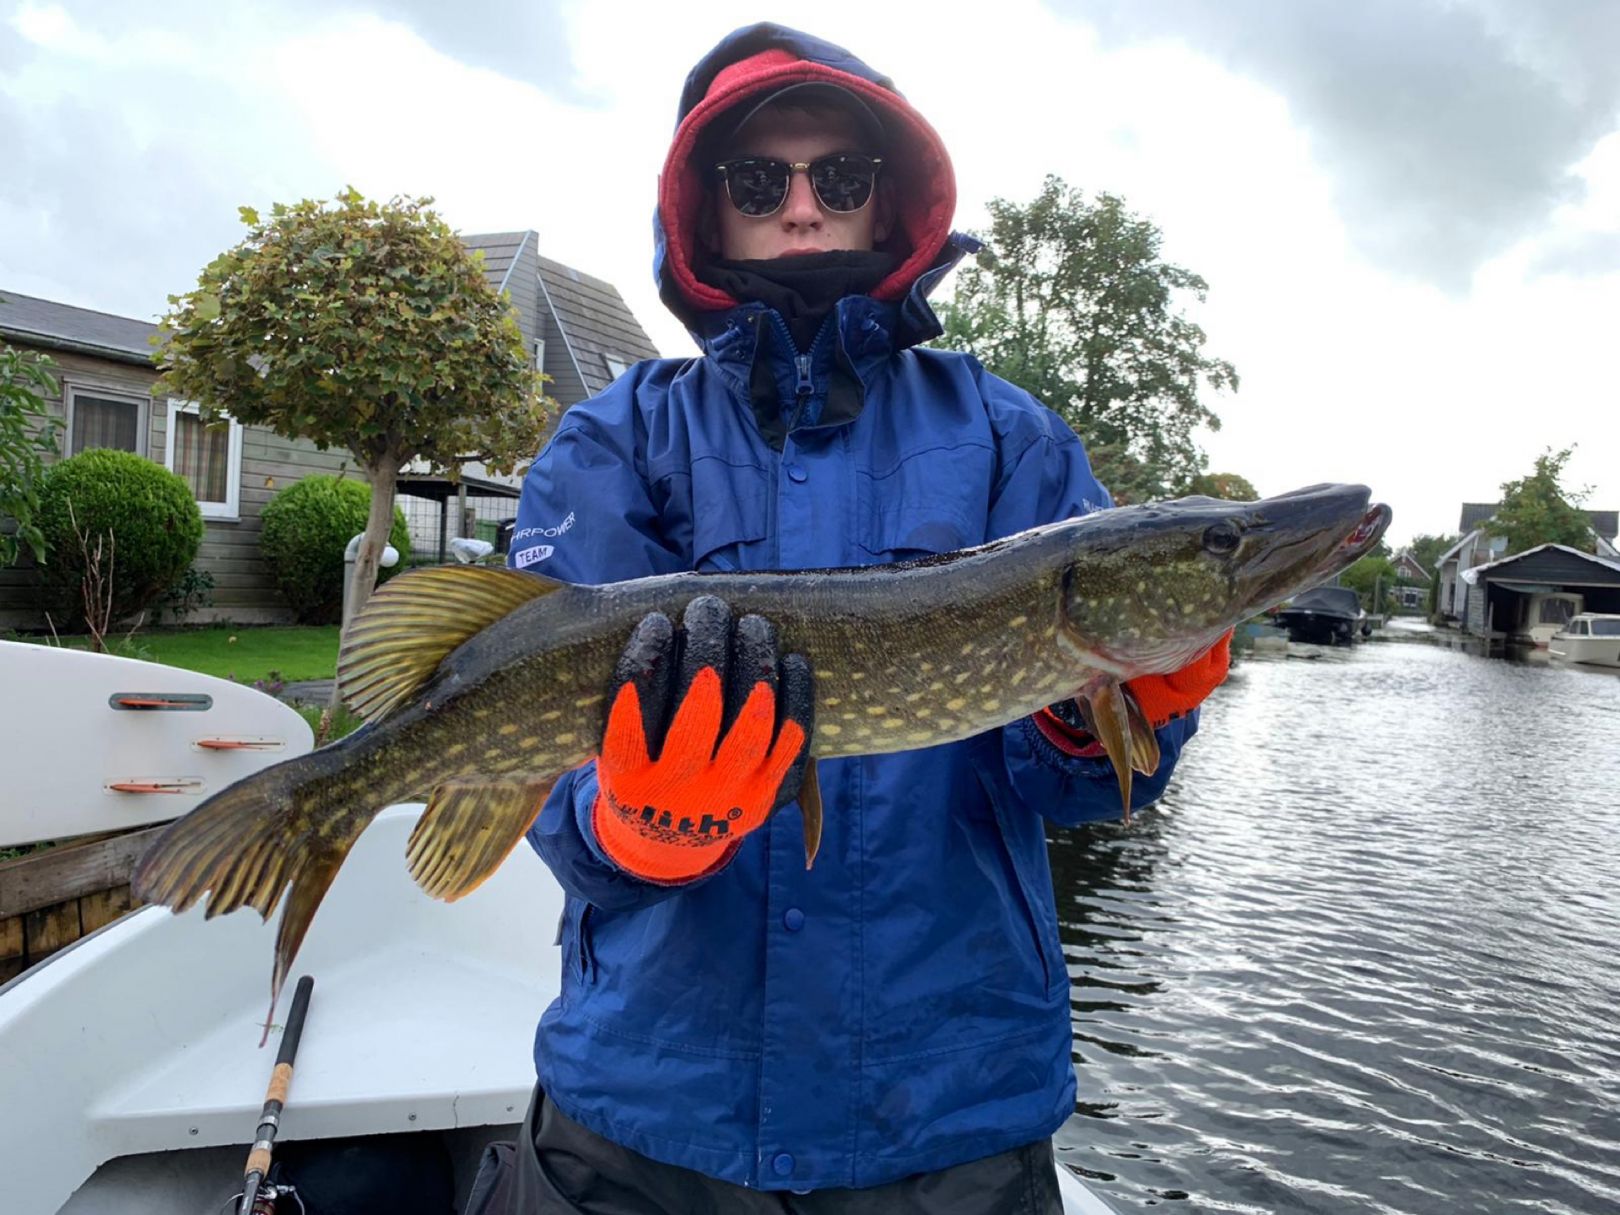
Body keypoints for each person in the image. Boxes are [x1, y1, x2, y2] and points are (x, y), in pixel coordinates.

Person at [497, 22, 1229, 1214]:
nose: (801, 207)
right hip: (652, 1105)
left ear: (887, 205)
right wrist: (632, 829)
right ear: (706, 209)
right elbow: (536, 782)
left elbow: (1085, 793)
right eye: (759, 179)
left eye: (839, 177)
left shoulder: (1009, 436)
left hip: (947, 1112)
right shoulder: (616, 439)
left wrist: (1111, 722)